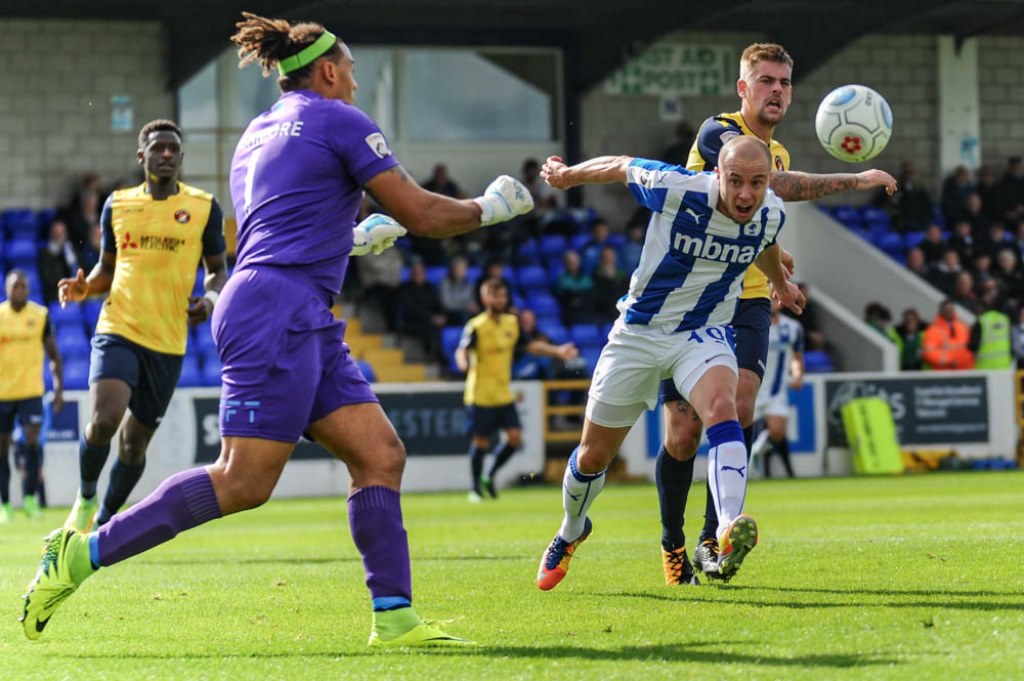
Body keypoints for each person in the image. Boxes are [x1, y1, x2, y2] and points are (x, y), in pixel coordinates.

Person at [20, 13, 533, 646]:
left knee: (379, 456)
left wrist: (346, 241)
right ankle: (78, 555)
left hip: (287, 303)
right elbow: (424, 215)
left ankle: (395, 619)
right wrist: (490, 207)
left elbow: (281, 225)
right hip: (280, 308)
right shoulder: (340, 119)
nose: (353, 82)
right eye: (348, 70)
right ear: (326, 70)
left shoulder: (255, 134)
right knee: (242, 480)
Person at [652, 42, 898, 586]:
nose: (777, 91)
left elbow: (760, 224)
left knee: (738, 404)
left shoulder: (779, 152)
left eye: (784, 83)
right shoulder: (719, 134)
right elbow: (776, 187)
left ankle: (713, 542)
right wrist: (854, 181)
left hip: (748, 298)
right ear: (744, 89)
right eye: (765, 81)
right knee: (682, 435)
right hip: (690, 297)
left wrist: (781, 277)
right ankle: (672, 542)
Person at [534, 135, 805, 592]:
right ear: (717, 174)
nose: (744, 194)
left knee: (725, 407)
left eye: (756, 184)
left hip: (702, 334)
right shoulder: (677, 188)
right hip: (638, 332)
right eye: (735, 181)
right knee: (592, 455)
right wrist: (567, 176)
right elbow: (621, 163)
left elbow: (765, 241)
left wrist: (781, 284)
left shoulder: (770, 210)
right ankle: (572, 528)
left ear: (767, 183)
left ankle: (724, 529)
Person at [52, 119, 229, 539]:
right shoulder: (119, 204)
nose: (166, 154)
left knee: (134, 445)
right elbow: (106, 270)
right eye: (158, 148)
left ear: (181, 157)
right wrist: (84, 289)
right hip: (119, 325)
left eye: (173, 149)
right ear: (141, 155)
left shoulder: (204, 207)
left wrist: (211, 300)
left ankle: (106, 520)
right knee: (103, 419)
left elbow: (218, 271)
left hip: (168, 342)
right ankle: (86, 498)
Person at [455, 279, 577, 502]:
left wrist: (557, 351)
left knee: (514, 437)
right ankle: (475, 489)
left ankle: (489, 475)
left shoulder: (512, 322)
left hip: (503, 393)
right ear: (485, 299)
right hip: (480, 394)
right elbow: (462, 350)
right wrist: (463, 364)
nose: (500, 300)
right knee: (480, 442)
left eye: (502, 295)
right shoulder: (476, 325)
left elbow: (531, 346)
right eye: (495, 295)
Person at [0, 271, 64, 523]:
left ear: (28, 289)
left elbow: (54, 356)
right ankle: (4, 504)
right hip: (3, 394)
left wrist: (59, 389)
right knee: (2, 448)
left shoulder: (40, 315)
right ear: (6, 289)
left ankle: (30, 500)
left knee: (32, 443)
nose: (19, 289)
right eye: (14, 286)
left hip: (31, 391)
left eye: (23, 286)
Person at [749, 298, 804, 479]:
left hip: (776, 391)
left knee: (778, 431)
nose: (774, 301)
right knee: (739, 431)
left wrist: (797, 374)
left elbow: (797, 357)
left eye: (776, 297)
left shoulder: (792, 327)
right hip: (751, 390)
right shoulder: (752, 323)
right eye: (770, 297)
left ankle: (757, 451)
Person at [922, 300, 974, 370]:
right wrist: (949, 361)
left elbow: (971, 347)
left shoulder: (963, 327)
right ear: (941, 312)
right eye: (947, 310)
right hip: (945, 373)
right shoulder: (933, 330)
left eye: (951, 309)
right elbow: (929, 353)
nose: (949, 312)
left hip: (966, 371)